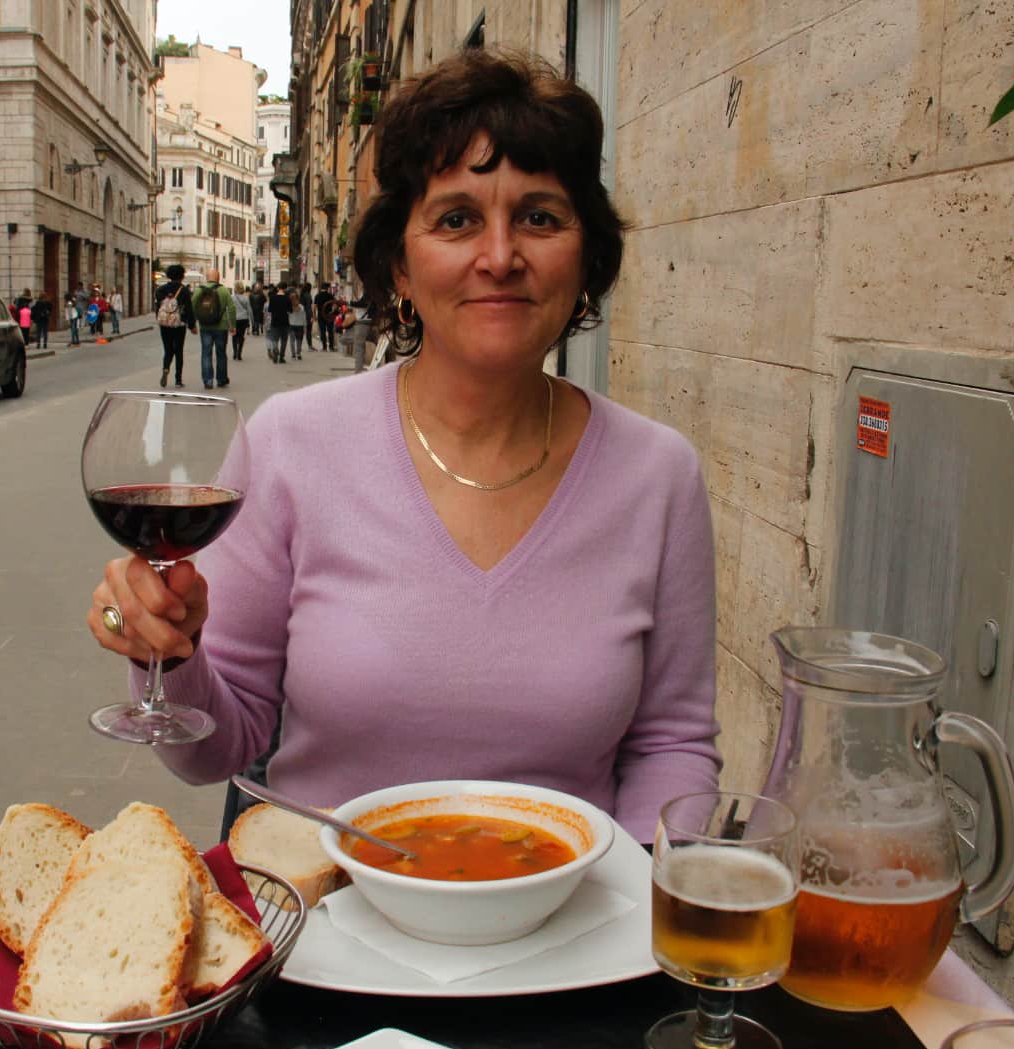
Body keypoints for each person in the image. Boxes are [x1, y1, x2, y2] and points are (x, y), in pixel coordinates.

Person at [86, 48, 720, 845]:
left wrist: (639, 902)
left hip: (570, 942)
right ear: (400, 265)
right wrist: (167, 650)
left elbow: (674, 745)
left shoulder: (659, 475)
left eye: (540, 216)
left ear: (586, 259)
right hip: (326, 932)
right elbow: (221, 748)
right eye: (456, 219)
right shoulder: (290, 444)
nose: (499, 255)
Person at [191, 269, 236, 388]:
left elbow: (193, 306)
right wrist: (232, 325)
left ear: (207, 278)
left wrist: (193, 323)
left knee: (206, 353)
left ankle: (208, 380)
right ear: (218, 278)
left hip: (205, 326)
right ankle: (221, 379)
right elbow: (231, 308)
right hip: (221, 327)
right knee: (221, 353)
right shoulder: (224, 290)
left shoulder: (199, 290)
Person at [155, 264, 195, 388]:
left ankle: (166, 368)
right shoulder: (184, 290)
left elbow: (158, 307)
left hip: (165, 323)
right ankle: (178, 379)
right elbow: (189, 309)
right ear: (182, 276)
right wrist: (192, 325)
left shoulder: (161, 290)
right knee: (178, 351)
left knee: (168, 349)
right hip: (179, 324)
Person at [265, 284, 291, 362]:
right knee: (284, 339)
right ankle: (282, 357)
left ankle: (275, 350)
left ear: (278, 288)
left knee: (274, 339)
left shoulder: (273, 298)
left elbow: (270, 310)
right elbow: (290, 311)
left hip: (275, 321)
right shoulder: (287, 298)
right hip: (284, 321)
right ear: (285, 289)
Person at [231, 283, 252, 361]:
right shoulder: (246, 298)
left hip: (234, 319)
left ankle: (234, 353)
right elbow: (249, 310)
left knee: (234, 336)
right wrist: (251, 320)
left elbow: (229, 309)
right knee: (241, 336)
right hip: (244, 319)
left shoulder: (232, 297)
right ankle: (239, 353)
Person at [314, 283, 337, 351]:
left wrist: (314, 315)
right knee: (330, 331)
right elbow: (335, 305)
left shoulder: (317, 296)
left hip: (321, 315)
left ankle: (324, 347)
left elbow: (314, 307)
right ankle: (331, 347)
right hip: (329, 315)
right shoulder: (330, 295)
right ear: (327, 288)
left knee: (322, 331)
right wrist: (332, 312)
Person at [284, 286, 306, 359]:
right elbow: (304, 317)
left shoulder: (288, 307)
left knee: (292, 340)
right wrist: (305, 326)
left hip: (291, 325)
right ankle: (298, 353)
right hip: (300, 325)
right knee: (299, 340)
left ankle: (293, 354)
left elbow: (287, 316)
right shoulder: (301, 307)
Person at [299, 281, 316, 350]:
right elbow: (308, 307)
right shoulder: (308, 295)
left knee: (301, 331)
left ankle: (299, 345)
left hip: (301, 314)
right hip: (307, 314)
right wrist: (312, 316)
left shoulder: (301, 294)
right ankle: (310, 345)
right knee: (309, 330)